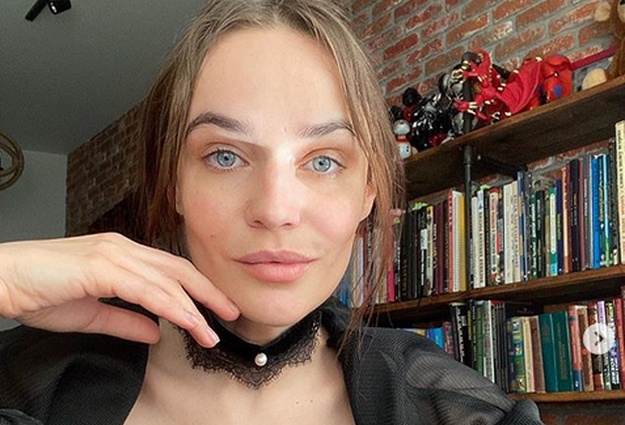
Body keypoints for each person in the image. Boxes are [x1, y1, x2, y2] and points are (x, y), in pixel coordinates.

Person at [0, 1, 545, 424]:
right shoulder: (27, 384)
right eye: (225, 156)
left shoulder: (457, 412)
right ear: (173, 187)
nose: (276, 210)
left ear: (367, 193)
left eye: (324, 161)